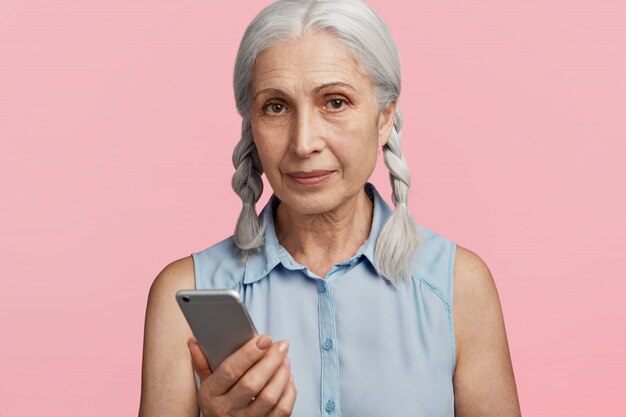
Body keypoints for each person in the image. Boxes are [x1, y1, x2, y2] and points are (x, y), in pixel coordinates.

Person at [139, 0, 522, 416]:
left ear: (384, 117)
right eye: (276, 106)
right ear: (251, 123)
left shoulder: (458, 287)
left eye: (335, 102)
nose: (304, 143)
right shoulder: (183, 294)